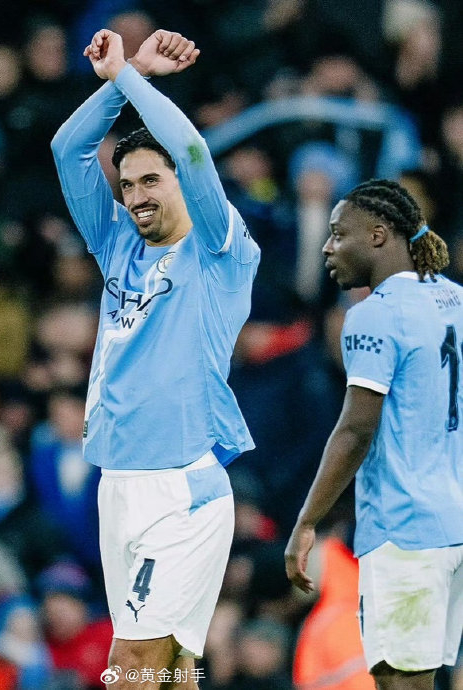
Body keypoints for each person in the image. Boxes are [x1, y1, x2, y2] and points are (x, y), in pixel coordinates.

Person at [51, 28, 260, 689]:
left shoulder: (220, 249)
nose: (136, 195)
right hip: (117, 482)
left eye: (151, 180)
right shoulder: (114, 241)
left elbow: (192, 149)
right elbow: (66, 149)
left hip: (180, 489)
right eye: (127, 184)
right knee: (172, 671)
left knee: (131, 666)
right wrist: (126, 77)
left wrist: (130, 81)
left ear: (182, 184)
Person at [285, 179, 463, 690]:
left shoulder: (372, 315)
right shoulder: (455, 300)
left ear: (379, 235)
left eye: (339, 234)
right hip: (453, 522)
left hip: (406, 529)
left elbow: (356, 429)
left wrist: (306, 521)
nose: (327, 247)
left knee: (401, 682)